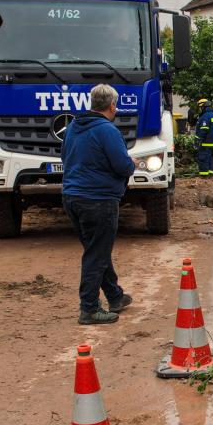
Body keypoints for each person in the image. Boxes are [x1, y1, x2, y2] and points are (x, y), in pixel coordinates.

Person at [61, 83, 136, 325]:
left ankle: (115, 296)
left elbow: (65, 156)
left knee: (96, 250)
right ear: (112, 105)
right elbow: (122, 166)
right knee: (96, 254)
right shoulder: (108, 131)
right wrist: (131, 162)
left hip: (72, 197)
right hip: (99, 199)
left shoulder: (73, 127)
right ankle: (89, 309)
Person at [194, 98, 213, 176]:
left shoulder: (205, 116)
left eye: (200, 107)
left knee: (203, 158)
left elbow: (203, 130)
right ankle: (210, 173)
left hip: (206, 142)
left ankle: (204, 174)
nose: (199, 109)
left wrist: (197, 140)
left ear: (203, 107)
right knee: (211, 158)